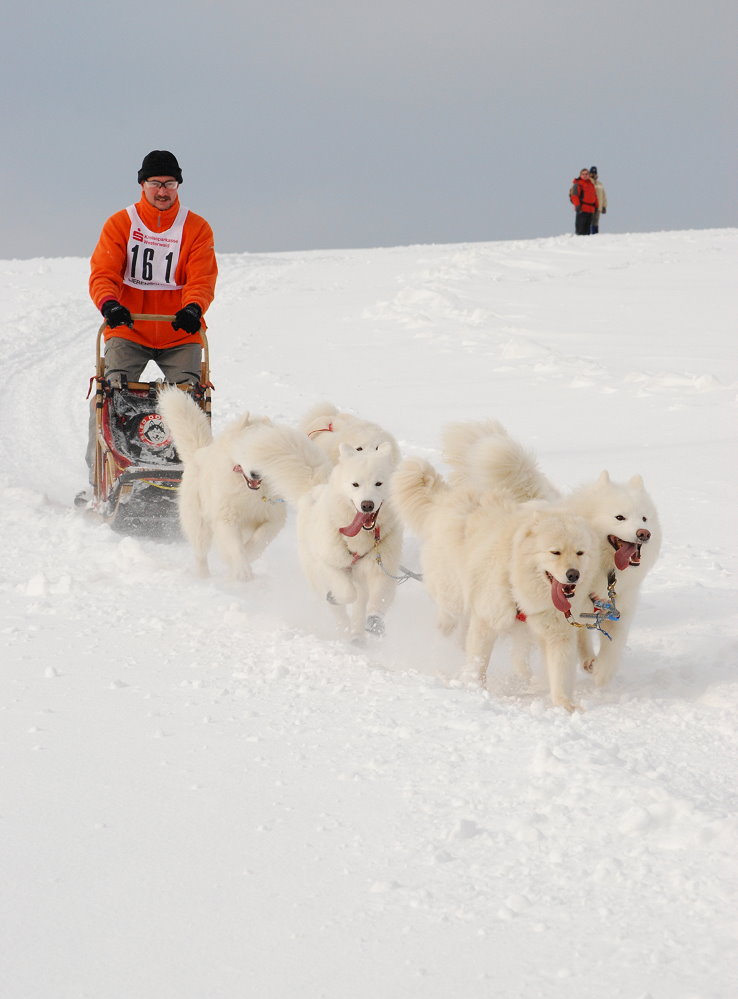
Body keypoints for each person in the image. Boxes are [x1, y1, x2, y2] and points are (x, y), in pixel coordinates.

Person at [81, 150, 218, 500]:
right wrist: (110, 304)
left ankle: (190, 481)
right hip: (129, 328)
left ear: (178, 186)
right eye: (156, 183)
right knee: (111, 396)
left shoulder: (196, 228)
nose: (162, 191)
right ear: (142, 184)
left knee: (188, 402)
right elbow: (104, 272)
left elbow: (202, 278)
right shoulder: (121, 224)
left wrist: (193, 308)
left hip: (179, 331)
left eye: (169, 184)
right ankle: (103, 478)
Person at [569, 168, 598, 235]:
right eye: (583, 174)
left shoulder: (591, 184)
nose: (585, 175)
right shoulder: (578, 184)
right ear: (580, 175)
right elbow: (574, 196)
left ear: (588, 175)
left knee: (587, 230)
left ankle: (586, 244)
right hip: (582, 209)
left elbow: (594, 196)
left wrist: (596, 205)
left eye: (586, 174)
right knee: (580, 229)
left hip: (590, 210)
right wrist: (577, 205)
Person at [589, 166, 607, 234]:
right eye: (592, 173)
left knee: (596, 221)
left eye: (595, 173)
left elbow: (604, 195)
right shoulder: (588, 182)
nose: (593, 174)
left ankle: (595, 234)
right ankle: (589, 234)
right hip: (590, 206)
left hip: (598, 206)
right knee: (590, 221)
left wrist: (604, 206)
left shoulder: (600, 184)